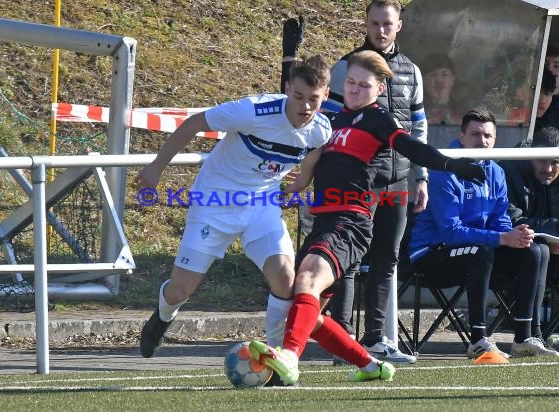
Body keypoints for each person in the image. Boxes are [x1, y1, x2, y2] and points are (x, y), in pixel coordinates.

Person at [248, 50, 486, 385]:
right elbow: (304, 148)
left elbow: (412, 147)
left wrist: (449, 164)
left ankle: (287, 359)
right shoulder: (333, 120)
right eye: (351, 83)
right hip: (323, 222)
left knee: (306, 281)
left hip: (351, 221)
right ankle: (370, 365)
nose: (355, 90)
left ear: (379, 89)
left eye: (364, 85)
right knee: (308, 313)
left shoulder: (378, 120)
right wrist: (293, 185)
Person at [135, 55, 333, 359]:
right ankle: (161, 318)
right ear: (287, 87)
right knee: (180, 290)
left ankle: (279, 357)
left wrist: (304, 176)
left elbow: (315, 149)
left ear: (326, 96)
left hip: (262, 205)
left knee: (284, 278)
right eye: (298, 97)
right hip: (215, 202)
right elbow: (195, 123)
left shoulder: (321, 128)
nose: (305, 107)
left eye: (314, 100)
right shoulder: (253, 111)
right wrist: (156, 167)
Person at [323, 0, 428, 365]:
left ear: (399, 25)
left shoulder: (412, 70)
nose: (380, 30)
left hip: (398, 180)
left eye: (387, 23)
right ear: (365, 24)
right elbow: (326, 122)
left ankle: (376, 340)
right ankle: (340, 340)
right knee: (348, 261)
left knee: (387, 260)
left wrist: (421, 175)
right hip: (356, 182)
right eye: (374, 23)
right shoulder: (345, 67)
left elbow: (418, 126)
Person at [408, 108, 559, 359]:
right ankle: (478, 339)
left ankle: (524, 337)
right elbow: (451, 232)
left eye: (488, 136)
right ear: (462, 136)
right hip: (434, 254)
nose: (482, 141)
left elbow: (499, 219)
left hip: (478, 250)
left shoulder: (495, 171)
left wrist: (514, 234)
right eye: (475, 134)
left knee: (535, 250)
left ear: (495, 139)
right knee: (482, 250)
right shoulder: (444, 168)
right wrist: (502, 238)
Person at [500, 126, 559, 345]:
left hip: (545, 252)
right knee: (538, 250)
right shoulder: (511, 170)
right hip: (507, 252)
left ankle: (535, 333)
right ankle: (531, 333)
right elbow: (513, 221)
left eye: (554, 162)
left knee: (540, 250)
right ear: (530, 156)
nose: (549, 169)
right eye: (542, 161)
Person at [421, 52, 461, 125]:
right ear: (423, 80)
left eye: (444, 74)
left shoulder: (464, 110)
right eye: (433, 75)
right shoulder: (413, 111)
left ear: (453, 79)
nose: (439, 80)